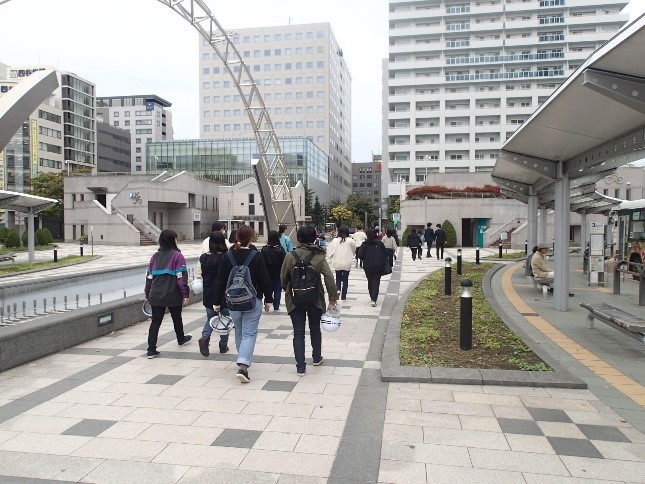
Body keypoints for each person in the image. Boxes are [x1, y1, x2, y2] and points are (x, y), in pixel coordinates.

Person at [213, 225, 273, 383]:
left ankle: (242, 359)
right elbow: (264, 279)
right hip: (253, 301)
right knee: (250, 333)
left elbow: (220, 280)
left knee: (239, 331)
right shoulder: (256, 255)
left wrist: (216, 302)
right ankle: (244, 365)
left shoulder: (228, 256)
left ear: (236, 238)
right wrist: (269, 299)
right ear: (251, 238)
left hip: (233, 302)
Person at [280, 226, 338, 376]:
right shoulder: (319, 256)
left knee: (298, 332)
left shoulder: (290, 255)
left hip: (295, 299)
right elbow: (329, 278)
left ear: (298, 239)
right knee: (314, 329)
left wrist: (289, 288)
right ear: (314, 238)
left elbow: (283, 278)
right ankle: (317, 358)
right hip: (315, 299)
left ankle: (300, 367)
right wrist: (332, 298)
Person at [144, 229, 192, 359]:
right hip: (173, 293)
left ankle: (151, 349)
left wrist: (147, 293)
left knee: (155, 322)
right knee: (177, 317)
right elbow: (181, 278)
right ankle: (181, 339)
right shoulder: (178, 256)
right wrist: (185, 294)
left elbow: (149, 277)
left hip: (156, 293)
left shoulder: (155, 256)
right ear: (172, 240)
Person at [198, 232, 230, 357]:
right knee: (225, 320)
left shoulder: (204, 258)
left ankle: (205, 337)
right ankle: (223, 345)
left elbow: (202, 275)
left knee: (210, 318)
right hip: (224, 293)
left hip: (209, 293)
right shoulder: (227, 257)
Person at [358, 228, 388, 307]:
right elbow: (385, 254)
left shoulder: (364, 244)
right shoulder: (380, 243)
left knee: (370, 281)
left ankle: (372, 296)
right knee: (376, 282)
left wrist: (365, 258)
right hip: (378, 265)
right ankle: (374, 299)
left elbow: (360, 255)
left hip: (368, 265)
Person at [326, 225, 356, 301]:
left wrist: (330, 257)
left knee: (338, 278)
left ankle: (338, 290)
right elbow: (354, 250)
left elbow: (329, 251)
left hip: (337, 262)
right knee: (345, 279)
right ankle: (344, 296)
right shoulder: (350, 240)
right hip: (346, 262)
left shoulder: (335, 240)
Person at [261, 230, 286, 310]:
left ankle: (267, 304)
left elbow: (262, 262)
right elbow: (284, 262)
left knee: (268, 289)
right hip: (278, 273)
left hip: (267, 274)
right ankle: (276, 305)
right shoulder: (280, 249)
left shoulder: (264, 249)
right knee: (278, 290)